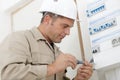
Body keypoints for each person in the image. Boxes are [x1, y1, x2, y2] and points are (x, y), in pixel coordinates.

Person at [0, 0, 93, 80]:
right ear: (47, 19)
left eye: (70, 28)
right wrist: (52, 68)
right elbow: (8, 75)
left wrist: (77, 79)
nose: (68, 32)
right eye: (65, 26)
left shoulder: (58, 53)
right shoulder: (19, 38)